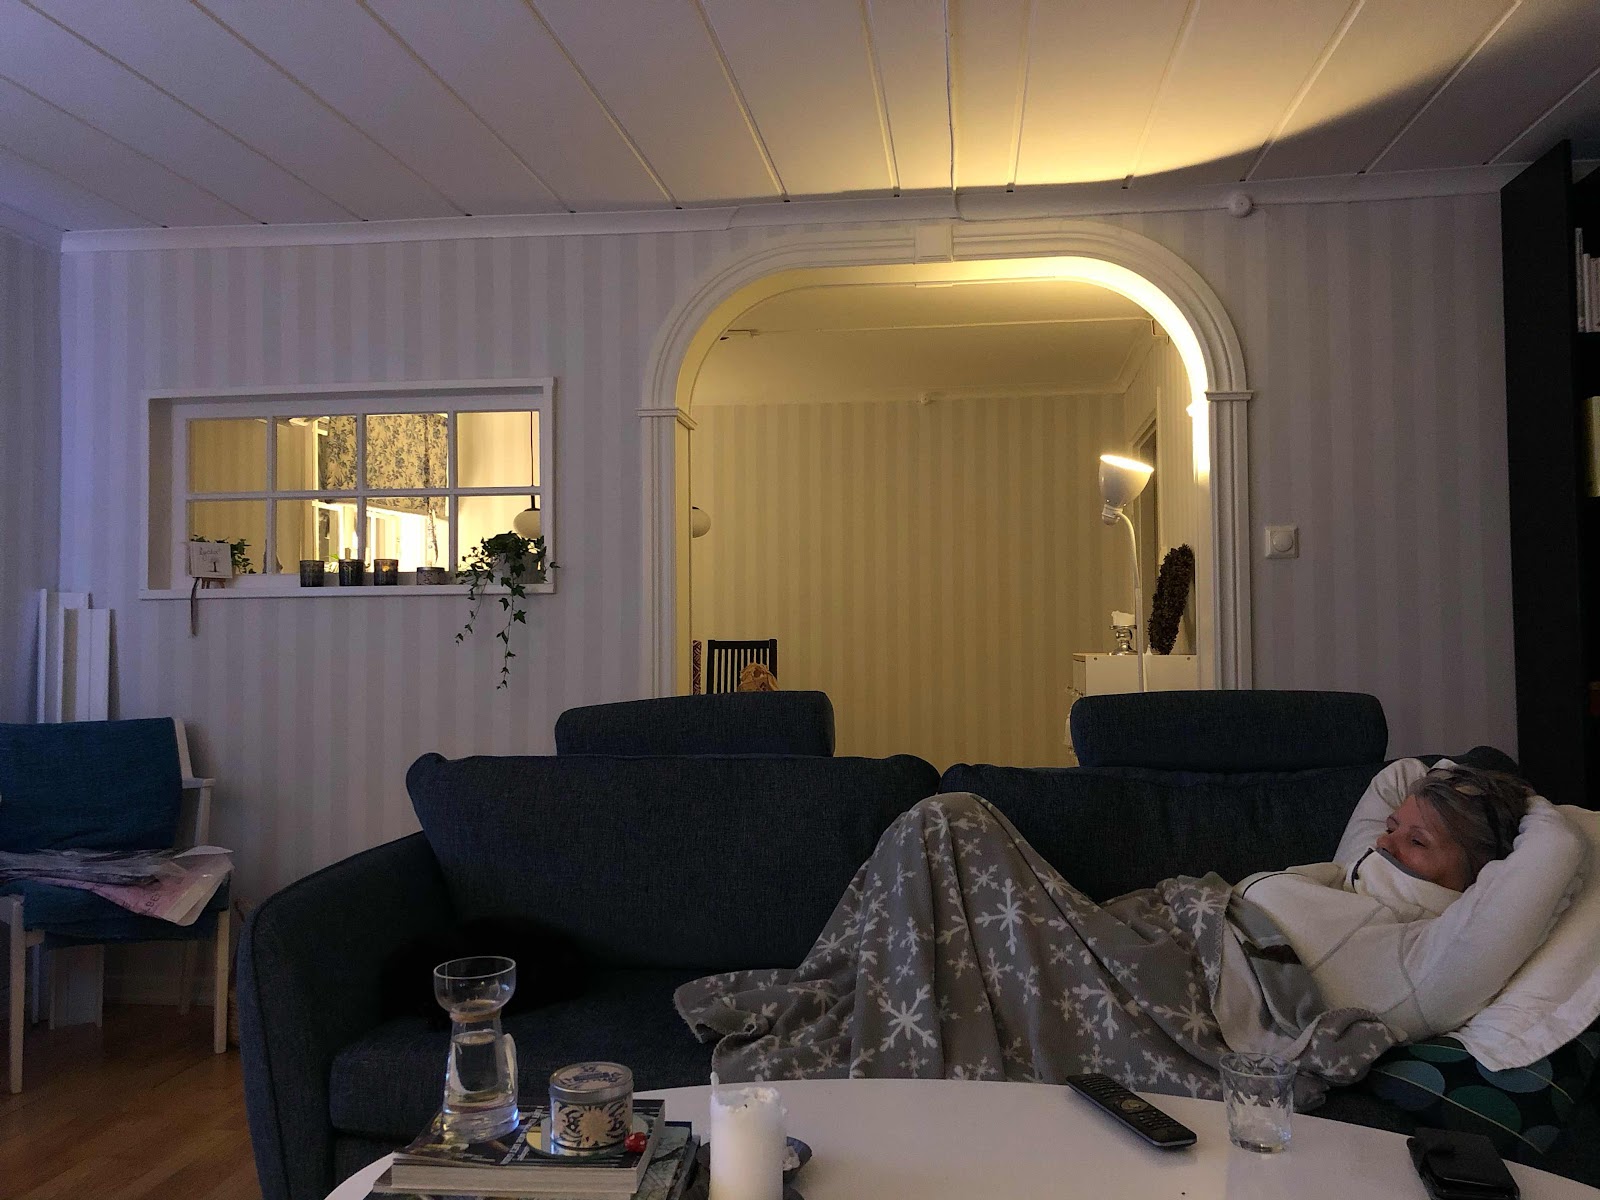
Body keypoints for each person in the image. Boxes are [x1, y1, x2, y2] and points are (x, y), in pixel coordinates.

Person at [1227, 758, 1587, 1045]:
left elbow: (1557, 846)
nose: (1385, 842)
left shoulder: (1429, 961)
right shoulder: (1362, 869)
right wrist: (1477, 791)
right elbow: (1400, 775)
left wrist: (1522, 802)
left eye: (1418, 842)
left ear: (1483, 877)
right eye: (1391, 827)